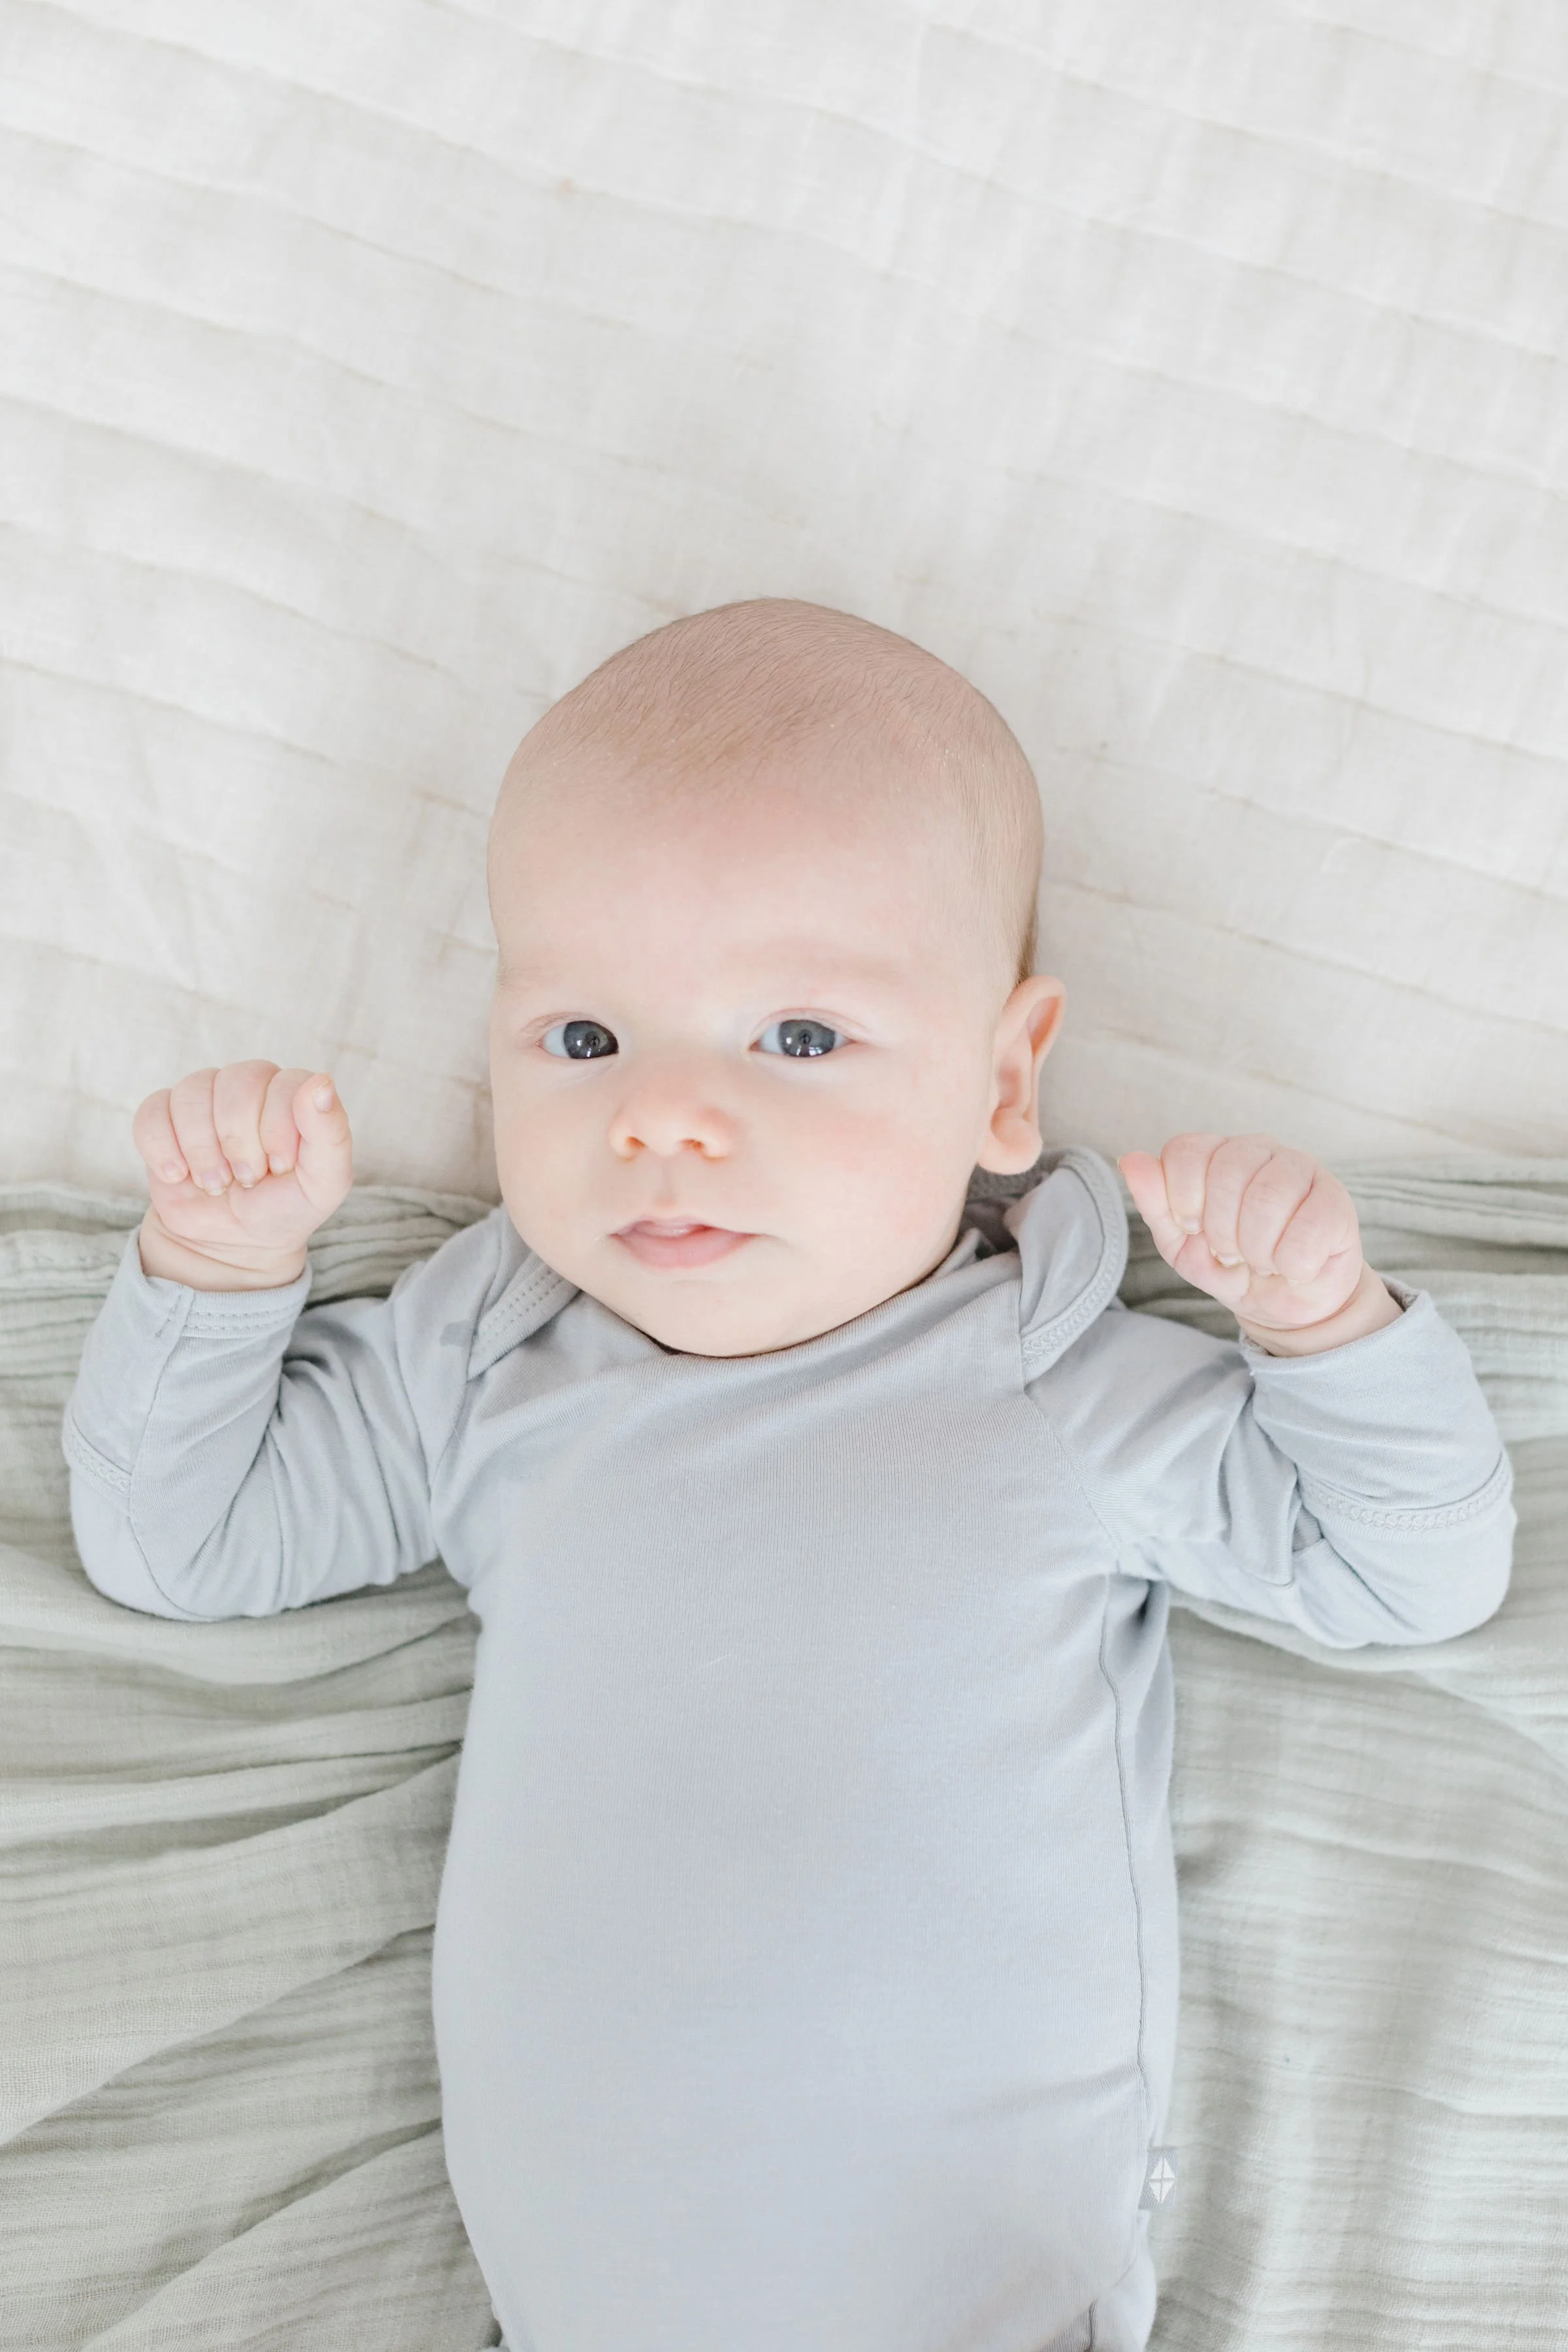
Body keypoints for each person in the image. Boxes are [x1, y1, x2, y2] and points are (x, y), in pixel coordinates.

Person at [60, 599, 1514, 2352]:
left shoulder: (1056, 1387)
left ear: (1000, 1082)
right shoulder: (487, 1363)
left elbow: (1407, 1572)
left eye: (800, 1039)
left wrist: (1325, 1326)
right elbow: (183, 1539)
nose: (663, 1116)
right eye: (585, 1041)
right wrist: (217, 1273)